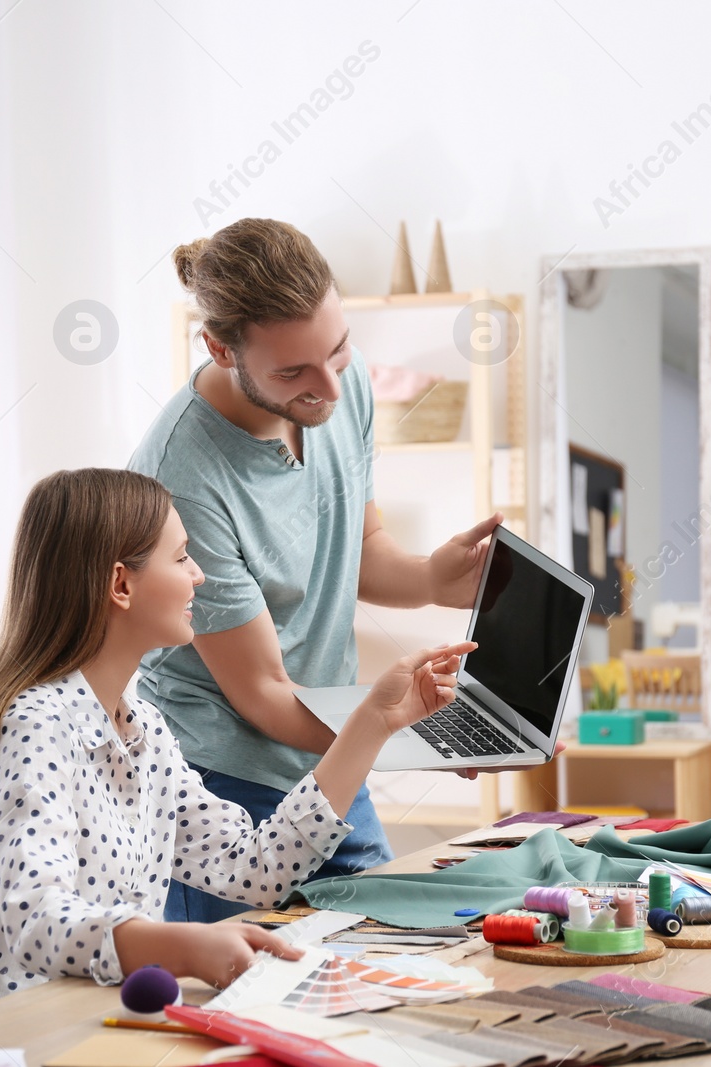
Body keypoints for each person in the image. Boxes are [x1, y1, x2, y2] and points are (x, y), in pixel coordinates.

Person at [0, 468, 472, 1041]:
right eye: (181, 557)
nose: (199, 575)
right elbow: (39, 922)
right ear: (120, 584)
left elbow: (252, 865)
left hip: (67, 1025)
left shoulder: (143, 728)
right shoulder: (35, 725)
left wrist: (372, 723)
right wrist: (181, 946)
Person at [129, 218, 500, 923]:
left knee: (384, 957)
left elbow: (356, 546)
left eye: (338, 349)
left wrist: (428, 579)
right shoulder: (182, 476)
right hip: (224, 783)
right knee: (240, 1009)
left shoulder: (339, 383)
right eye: (294, 372)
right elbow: (264, 693)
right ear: (219, 347)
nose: (329, 386)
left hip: (333, 747)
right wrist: (421, 733)